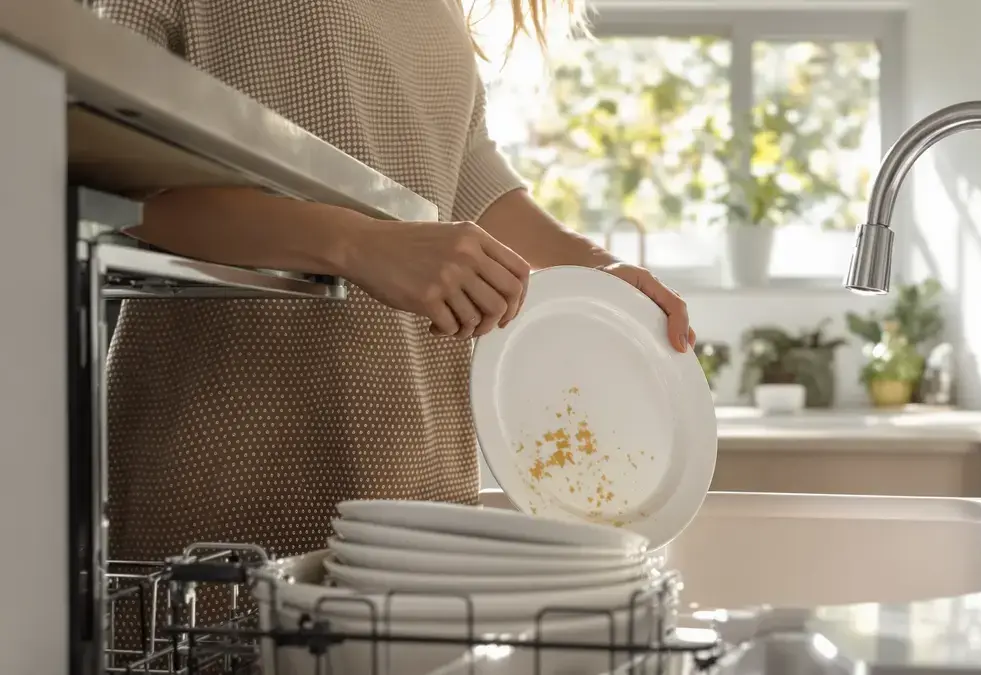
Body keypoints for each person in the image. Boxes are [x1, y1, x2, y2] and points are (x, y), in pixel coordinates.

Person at [94, 0, 694, 647]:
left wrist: (599, 268)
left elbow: (471, 181)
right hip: (227, 469)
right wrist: (358, 245)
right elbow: (113, 173)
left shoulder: (438, 11)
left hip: (417, 487)